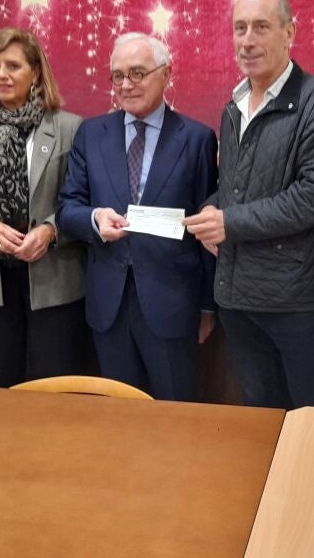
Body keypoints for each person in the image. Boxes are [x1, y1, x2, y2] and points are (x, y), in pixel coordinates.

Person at [183, 0, 314, 409]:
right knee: (258, 414)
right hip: (235, 296)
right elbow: (235, 186)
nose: (247, 40)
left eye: (260, 27)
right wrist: (211, 206)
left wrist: (229, 223)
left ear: (289, 32)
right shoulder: (234, 104)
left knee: (309, 418)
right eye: (239, 28)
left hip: (293, 300)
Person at [57, 33, 218, 401]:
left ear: (166, 74)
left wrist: (208, 305)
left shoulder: (197, 139)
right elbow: (67, 208)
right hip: (108, 305)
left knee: (175, 414)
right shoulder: (91, 134)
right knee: (119, 417)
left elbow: (206, 227)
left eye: (138, 73)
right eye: (118, 75)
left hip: (172, 303)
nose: (126, 84)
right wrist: (95, 219)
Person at [0, 27, 88, 388]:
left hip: (53, 279)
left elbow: (83, 201)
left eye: (13, 65)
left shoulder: (69, 128)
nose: (1, 75)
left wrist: (51, 230)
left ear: (35, 71)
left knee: (56, 391)